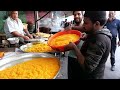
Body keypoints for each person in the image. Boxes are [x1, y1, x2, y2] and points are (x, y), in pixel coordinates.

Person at [65, 11, 112, 79]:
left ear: (96, 24)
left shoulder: (99, 40)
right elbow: (85, 29)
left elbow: (87, 67)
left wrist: (74, 47)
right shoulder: (99, 31)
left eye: (86, 23)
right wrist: (88, 36)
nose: (83, 25)